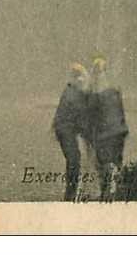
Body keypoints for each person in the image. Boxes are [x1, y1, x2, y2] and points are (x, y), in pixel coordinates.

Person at [88, 57, 129, 201]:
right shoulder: (114, 90)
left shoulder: (95, 90)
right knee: (116, 162)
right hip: (118, 131)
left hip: (104, 134)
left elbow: (92, 116)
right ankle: (116, 190)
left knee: (103, 163)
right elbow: (121, 112)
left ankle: (106, 191)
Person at [53, 63, 90, 202]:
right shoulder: (73, 91)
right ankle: (72, 193)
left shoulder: (70, 90)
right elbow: (77, 115)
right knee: (74, 159)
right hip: (66, 130)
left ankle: (71, 192)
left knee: (74, 158)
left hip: (64, 130)